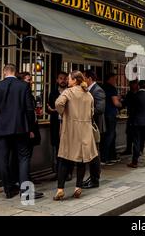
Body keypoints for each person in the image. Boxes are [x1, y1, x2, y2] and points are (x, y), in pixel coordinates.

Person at [0, 64, 43, 199]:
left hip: (1, 129)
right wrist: (31, 128)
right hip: (20, 129)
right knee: (23, 159)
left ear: (4, 72)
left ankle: (8, 190)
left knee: (3, 159)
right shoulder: (23, 86)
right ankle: (25, 193)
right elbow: (29, 110)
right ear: (15, 72)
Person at [53, 71, 98, 201]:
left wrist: (63, 114)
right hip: (85, 131)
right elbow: (92, 113)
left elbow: (58, 104)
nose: (68, 81)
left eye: (69, 79)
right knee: (81, 161)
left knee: (64, 160)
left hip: (70, 131)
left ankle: (60, 190)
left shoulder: (69, 92)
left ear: (74, 80)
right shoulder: (89, 95)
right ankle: (78, 187)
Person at [82, 69, 106, 189]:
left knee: (95, 154)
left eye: (84, 78)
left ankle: (95, 180)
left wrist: (84, 112)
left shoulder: (98, 90)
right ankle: (92, 177)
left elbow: (100, 109)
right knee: (91, 154)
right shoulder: (89, 90)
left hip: (94, 127)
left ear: (89, 79)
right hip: (88, 127)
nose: (83, 80)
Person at [18, 72, 41, 184]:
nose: (31, 82)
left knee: (28, 155)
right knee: (24, 156)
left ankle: (26, 177)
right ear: (22, 81)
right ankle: (24, 179)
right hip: (26, 129)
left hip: (33, 126)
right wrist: (30, 129)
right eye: (28, 80)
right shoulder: (22, 95)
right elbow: (26, 113)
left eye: (31, 80)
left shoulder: (30, 95)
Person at [127, 80, 145, 168]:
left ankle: (135, 162)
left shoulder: (135, 97)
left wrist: (131, 121)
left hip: (137, 122)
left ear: (138, 86)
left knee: (137, 142)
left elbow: (131, 111)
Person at [46, 72, 69, 178]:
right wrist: (53, 110)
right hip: (56, 125)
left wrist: (55, 110)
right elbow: (49, 108)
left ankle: (68, 172)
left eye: (65, 78)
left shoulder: (70, 92)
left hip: (68, 125)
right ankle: (59, 172)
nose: (63, 80)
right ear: (57, 80)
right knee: (57, 149)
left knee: (67, 149)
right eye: (61, 78)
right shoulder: (53, 93)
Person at [102, 73, 122, 165]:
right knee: (110, 135)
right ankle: (105, 157)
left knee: (107, 135)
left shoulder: (102, 87)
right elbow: (115, 103)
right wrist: (121, 104)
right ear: (110, 79)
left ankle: (111, 156)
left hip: (104, 114)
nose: (116, 81)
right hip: (110, 114)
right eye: (114, 79)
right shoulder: (112, 88)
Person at [121, 80, 140, 155]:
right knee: (129, 134)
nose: (131, 86)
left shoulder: (137, 94)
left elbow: (125, 103)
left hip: (136, 116)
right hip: (131, 116)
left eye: (133, 84)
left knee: (136, 135)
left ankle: (137, 150)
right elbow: (125, 103)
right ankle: (129, 149)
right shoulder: (130, 93)